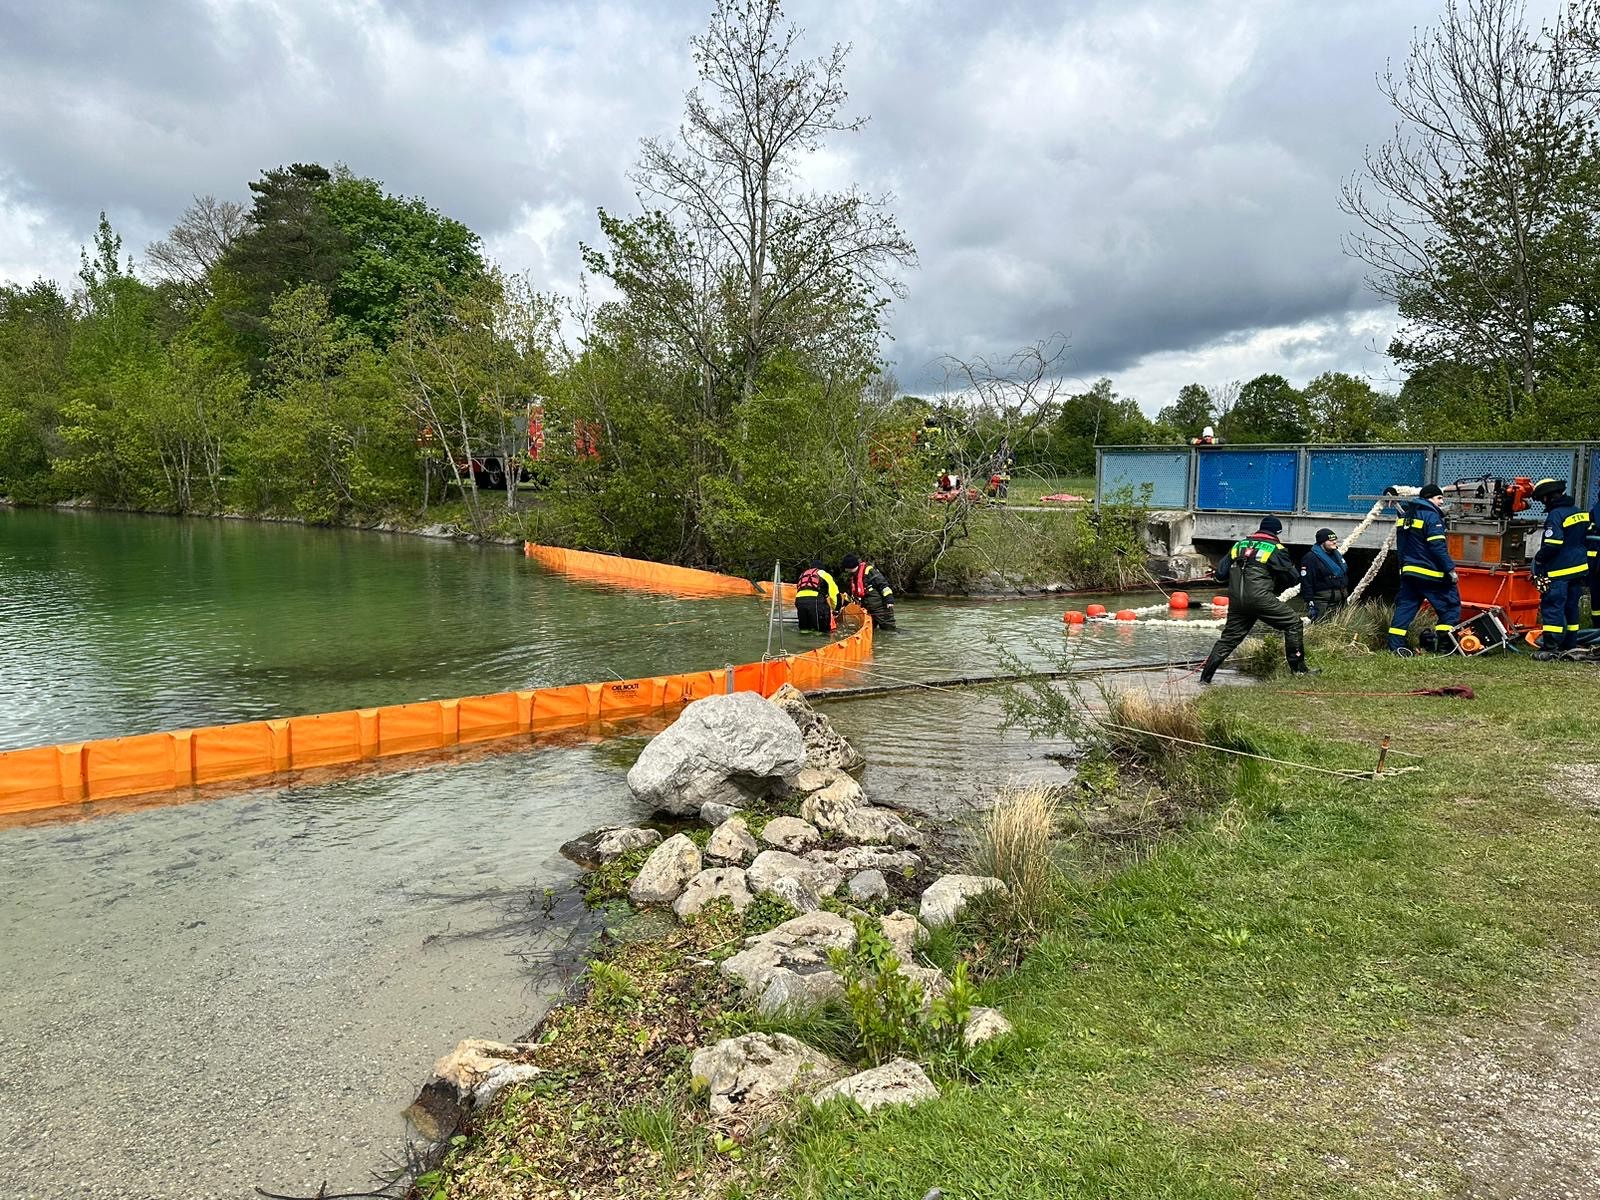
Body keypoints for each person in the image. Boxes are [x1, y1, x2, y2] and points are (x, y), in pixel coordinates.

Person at [1198, 515, 1311, 683]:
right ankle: (1299, 670)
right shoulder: (1276, 549)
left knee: (1228, 640)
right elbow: (1293, 578)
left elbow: (1220, 576)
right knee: (1293, 624)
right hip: (1261, 599)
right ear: (1277, 532)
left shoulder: (1239, 545)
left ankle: (1205, 679)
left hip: (1236, 602)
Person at [1387, 483, 1461, 655]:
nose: (1441, 502)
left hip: (1409, 573)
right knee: (1449, 607)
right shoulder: (1431, 517)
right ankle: (1445, 647)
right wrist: (1450, 569)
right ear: (1429, 498)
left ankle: (1395, 646)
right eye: (1439, 498)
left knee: (1405, 608)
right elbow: (1437, 547)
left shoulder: (1406, 516)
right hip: (1431, 574)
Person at [1529, 478, 1592, 655]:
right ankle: (1570, 644)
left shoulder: (1556, 515)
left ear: (1547, 497)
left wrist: (1539, 560)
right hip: (1579, 568)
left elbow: (1553, 543)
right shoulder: (1578, 512)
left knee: (1553, 606)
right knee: (1571, 606)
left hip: (1559, 570)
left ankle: (1551, 647)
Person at [1298, 527, 1349, 622]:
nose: (1334, 542)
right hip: (1323, 603)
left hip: (1341, 601)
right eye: (1330, 540)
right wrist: (1310, 603)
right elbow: (1306, 582)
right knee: (1321, 627)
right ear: (1322, 542)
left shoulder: (1337, 555)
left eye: (1335, 539)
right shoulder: (1310, 558)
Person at [841, 553, 896, 630]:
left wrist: (889, 600)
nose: (845, 570)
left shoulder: (869, 572)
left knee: (889, 630)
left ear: (851, 566)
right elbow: (851, 594)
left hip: (881, 608)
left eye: (846, 568)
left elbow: (883, 586)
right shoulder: (853, 576)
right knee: (870, 631)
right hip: (867, 609)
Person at [794, 557, 841, 634]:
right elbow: (834, 594)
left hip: (799, 601)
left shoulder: (803, 574)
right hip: (815, 602)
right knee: (820, 632)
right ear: (822, 568)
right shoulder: (824, 574)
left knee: (804, 631)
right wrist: (836, 610)